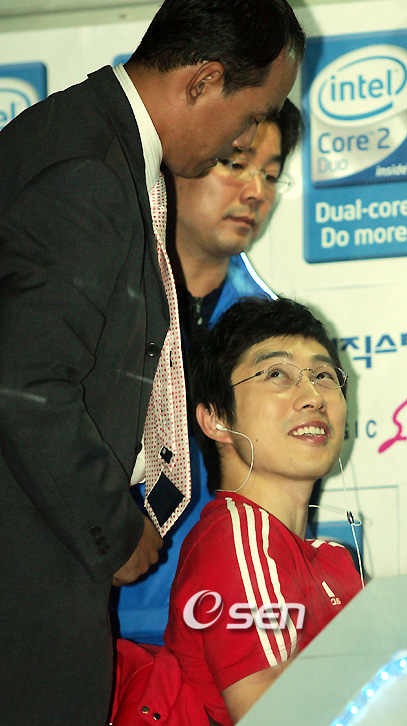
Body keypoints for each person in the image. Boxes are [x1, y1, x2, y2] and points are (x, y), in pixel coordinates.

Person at [0, 1, 305, 723]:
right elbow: (25, 381)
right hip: (29, 592)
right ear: (203, 81)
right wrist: (113, 526)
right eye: (250, 116)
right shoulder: (87, 170)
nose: (244, 138)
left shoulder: (74, 139)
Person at [111, 297, 362, 726]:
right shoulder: (239, 540)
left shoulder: (332, 560)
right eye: (277, 374)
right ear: (215, 420)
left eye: (323, 375)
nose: (312, 397)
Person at [116, 99, 303, 645]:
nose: (256, 191)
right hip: (97, 629)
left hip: (233, 633)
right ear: (178, 161)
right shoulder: (98, 306)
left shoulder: (278, 340)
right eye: (236, 164)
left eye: (271, 175)